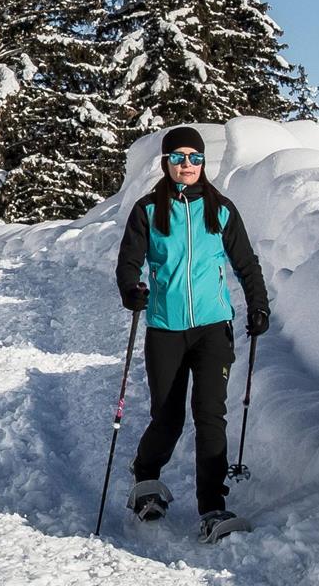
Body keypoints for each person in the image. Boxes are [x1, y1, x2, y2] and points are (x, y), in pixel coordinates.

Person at [114, 126, 270, 541]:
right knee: (168, 416)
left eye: (195, 158)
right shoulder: (148, 211)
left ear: (204, 163)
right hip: (165, 327)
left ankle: (212, 507)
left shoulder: (221, 211)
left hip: (212, 329)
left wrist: (258, 304)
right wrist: (132, 290)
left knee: (210, 416)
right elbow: (128, 262)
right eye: (179, 157)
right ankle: (146, 480)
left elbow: (246, 263)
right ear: (165, 162)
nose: (187, 165)